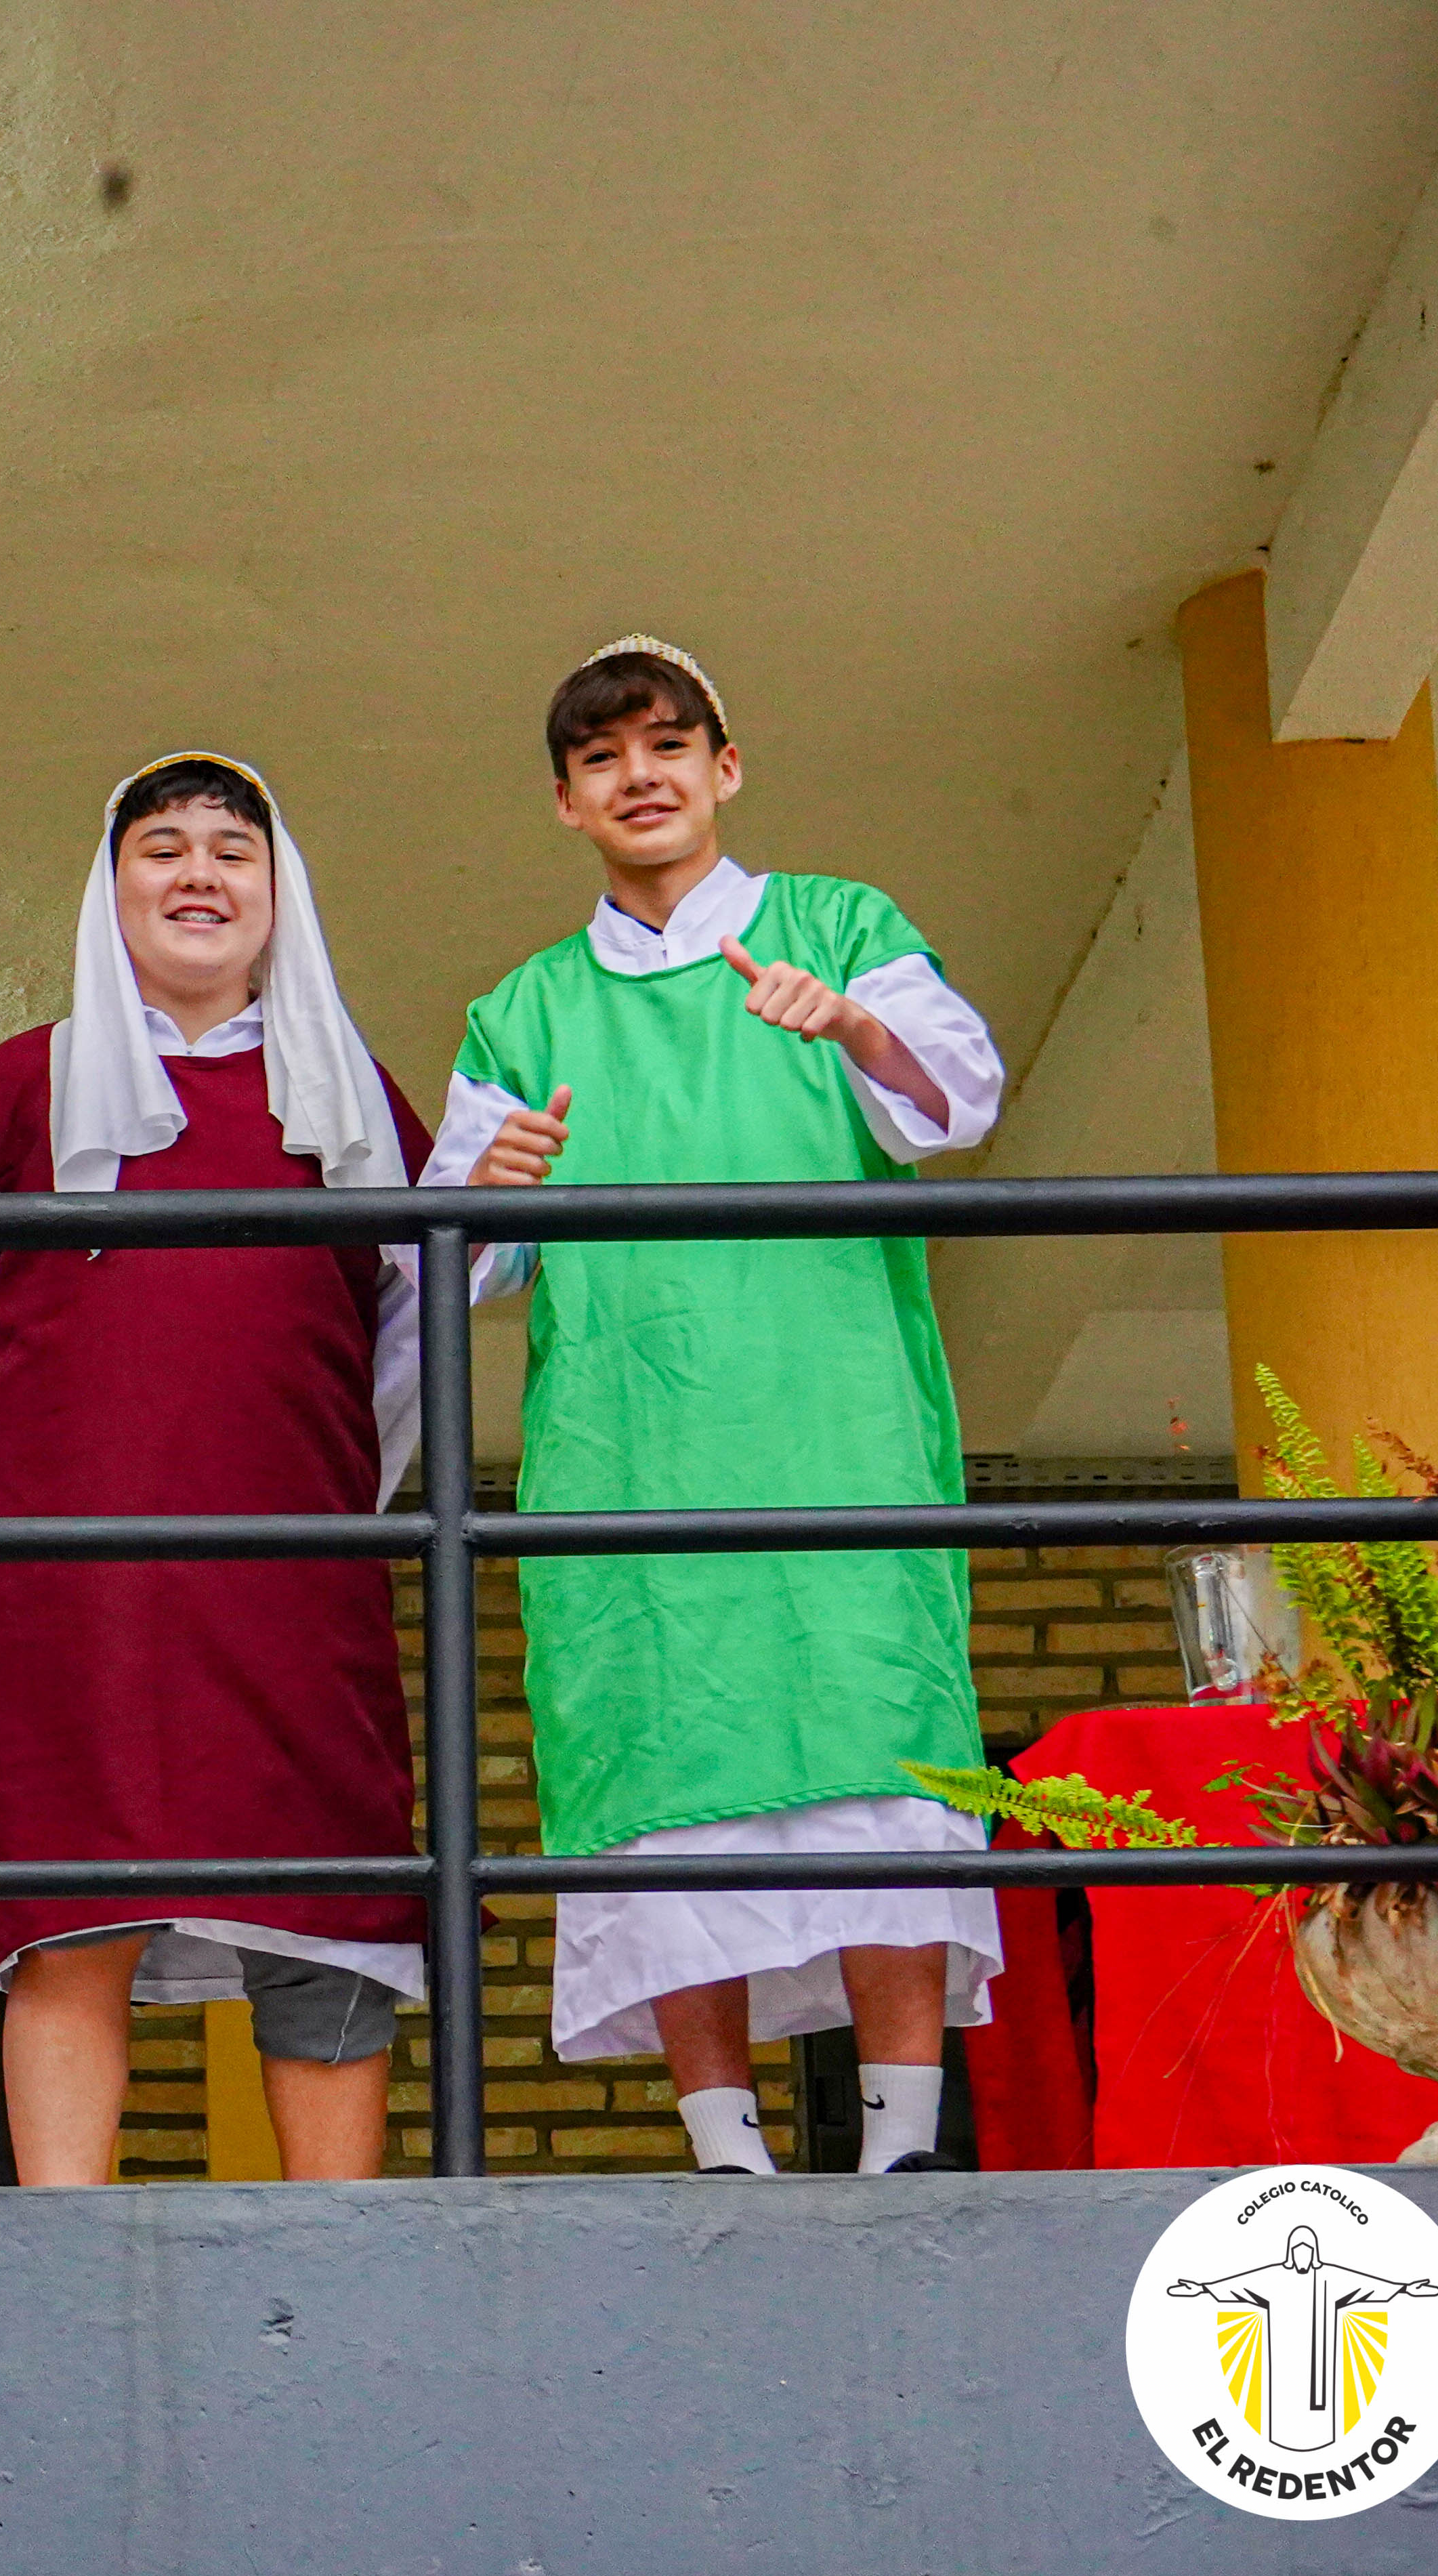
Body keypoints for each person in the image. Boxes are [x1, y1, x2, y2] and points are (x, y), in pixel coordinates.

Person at [430, 637, 1007, 2177]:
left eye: (670, 744)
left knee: (875, 1757)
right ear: (567, 801)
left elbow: (962, 1100)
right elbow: (453, 1257)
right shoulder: (526, 1007)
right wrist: (485, 1190)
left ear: (727, 767)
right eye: (606, 758)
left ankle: (899, 2143)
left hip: (839, 1435)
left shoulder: (838, 926)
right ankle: (724, 2152)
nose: (644, 775)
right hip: (634, 1457)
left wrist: (855, 1028)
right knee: (666, 1784)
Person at [0, 753, 435, 2184]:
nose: (198, 873)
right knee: (71, 1910)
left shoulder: (354, 1096)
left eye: (231, 849)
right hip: (69, 1590)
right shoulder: (21, 1087)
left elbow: (403, 1342)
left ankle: (340, 2267)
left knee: (328, 1912)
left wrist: (330, 1505)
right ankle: (66, 2255)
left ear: (278, 889)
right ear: (110, 884)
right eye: (161, 846)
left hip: (293, 1584)